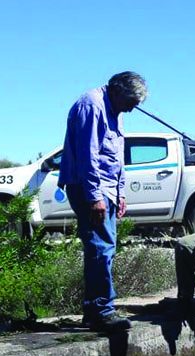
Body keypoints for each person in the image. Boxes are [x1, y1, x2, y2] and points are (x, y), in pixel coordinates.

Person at [58, 71, 147, 332]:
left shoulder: (114, 109)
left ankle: (96, 310)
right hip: (90, 189)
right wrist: (94, 196)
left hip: (106, 190)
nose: (132, 109)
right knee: (100, 249)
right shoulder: (91, 105)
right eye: (130, 102)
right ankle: (101, 312)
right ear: (118, 91)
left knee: (105, 248)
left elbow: (115, 155)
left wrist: (120, 193)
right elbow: (88, 156)